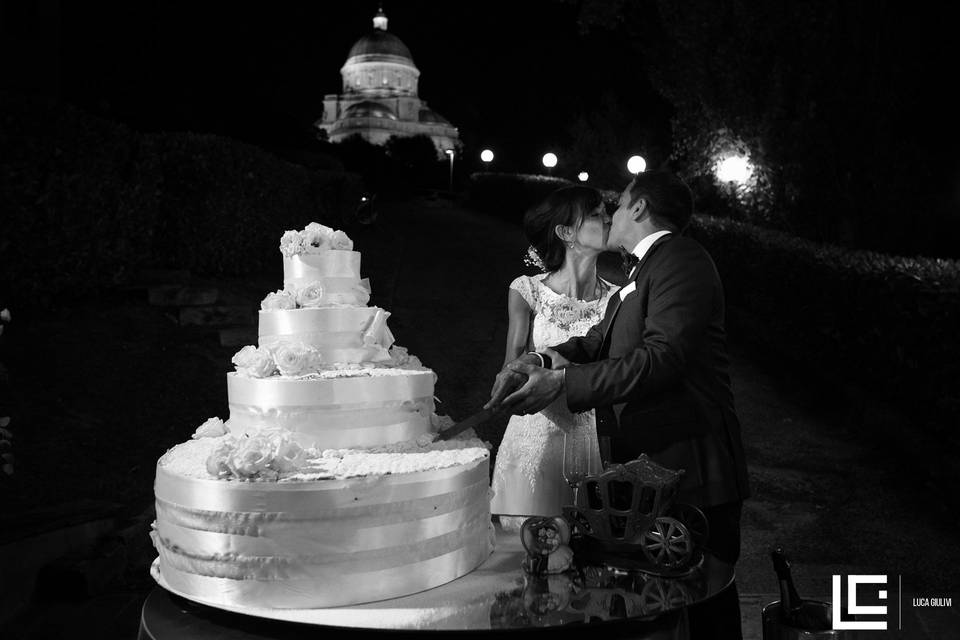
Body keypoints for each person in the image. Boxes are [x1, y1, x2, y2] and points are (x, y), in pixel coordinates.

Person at [486, 171, 750, 638]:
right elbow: (595, 340)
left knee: (706, 598)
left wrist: (563, 384)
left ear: (640, 209)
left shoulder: (681, 260)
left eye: (619, 203)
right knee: (655, 601)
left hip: (693, 465)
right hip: (654, 464)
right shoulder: (641, 271)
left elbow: (662, 358)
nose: (611, 212)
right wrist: (537, 357)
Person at [490, 186, 617, 531]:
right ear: (566, 233)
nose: (609, 218)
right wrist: (512, 380)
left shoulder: (619, 300)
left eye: (607, 211)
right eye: (595, 214)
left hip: (592, 444)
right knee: (526, 551)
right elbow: (512, 364)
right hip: (533, 439)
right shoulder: (527, 290)